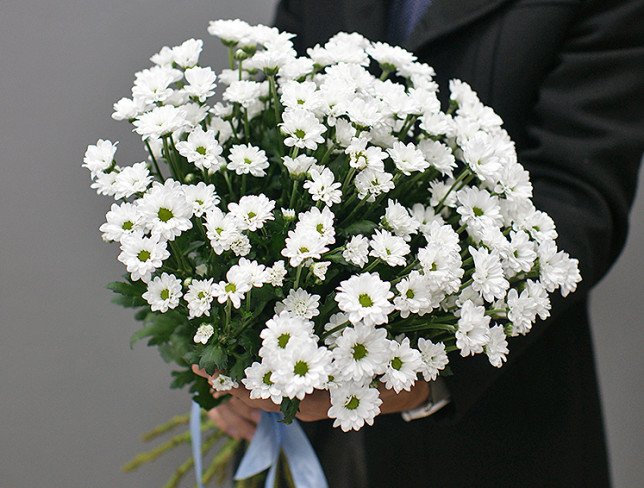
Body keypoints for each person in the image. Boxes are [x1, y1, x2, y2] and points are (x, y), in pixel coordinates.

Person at [197, 1, 644, 486]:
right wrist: (225, 334)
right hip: (298, 420)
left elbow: (578, 197)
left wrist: (431, 373)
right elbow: (274, 121)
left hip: (491, 433)